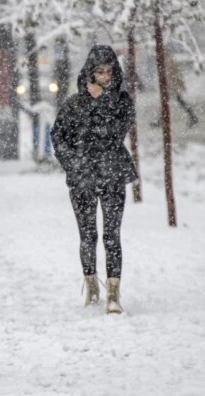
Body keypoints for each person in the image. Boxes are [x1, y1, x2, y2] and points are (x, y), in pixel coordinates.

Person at [50, 45, 138, 315]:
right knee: (87, 235)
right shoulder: (74, 104)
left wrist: (103, 100)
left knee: (112, 235)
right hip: (82, 178)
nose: (103, 77)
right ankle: (92, 287)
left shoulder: (122, 102)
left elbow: (116, 131)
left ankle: (113, 293)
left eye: (108, 72)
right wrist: (73, 165)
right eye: (98, 72)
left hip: (112, 174)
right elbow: (58, 137)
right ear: (90, 73)